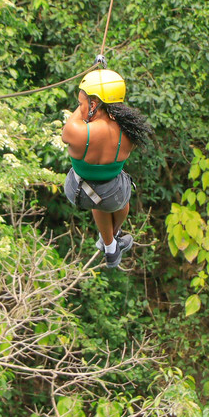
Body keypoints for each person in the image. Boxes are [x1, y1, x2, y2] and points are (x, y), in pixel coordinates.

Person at [62, 69, 152, 268]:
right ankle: (113, 236)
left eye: (81, 103)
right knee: (118, 186)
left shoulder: (77, 132)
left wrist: (89, 98)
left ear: (93, 104)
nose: (80, 107)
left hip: (77, 190)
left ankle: (110, 246)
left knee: (97, 198)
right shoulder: (129, 134)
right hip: (114, 197)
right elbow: (111, 115)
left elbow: (70, 126)